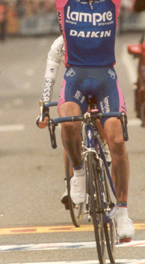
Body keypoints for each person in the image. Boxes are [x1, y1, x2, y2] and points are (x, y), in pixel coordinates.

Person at [30, 0, 145, 242]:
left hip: (104, 75)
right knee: (68, 124)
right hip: (74, 74)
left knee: (116, 141)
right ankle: (78, 174)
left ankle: (123, 213)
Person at [36, 35, 112, 209]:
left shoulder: (95, 35)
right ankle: (70, 183)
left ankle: (103, 145)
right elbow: (49, 79)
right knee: (69, 129)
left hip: (97, 85)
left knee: (98, 113)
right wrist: (44, 110)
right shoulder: (59, 45)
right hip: (74, 88)